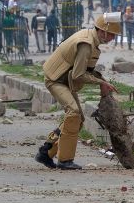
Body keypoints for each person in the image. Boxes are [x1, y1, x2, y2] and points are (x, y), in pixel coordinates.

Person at [35, 13, 121, 170]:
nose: (112, 38)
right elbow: (78, 75)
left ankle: (46, 152)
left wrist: (102, 82)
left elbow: (86, 70)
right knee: (73, 113)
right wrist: (101, 82)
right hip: (56, 80)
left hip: (65, 80)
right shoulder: (86, 44)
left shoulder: (91, 39)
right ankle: (65, 160)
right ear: (102, 30)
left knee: (77, 119)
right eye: (111, 34)